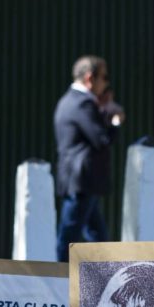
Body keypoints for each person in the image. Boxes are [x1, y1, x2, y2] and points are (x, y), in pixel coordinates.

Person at [53, 55, 124, 262]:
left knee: (98, 239)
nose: (107, 83)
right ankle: (61, 283)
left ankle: (98, 282)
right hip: (81, 181)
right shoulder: (82, 103)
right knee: (69, 238)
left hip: (80, 182)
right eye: (105, 77)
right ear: (90, 78)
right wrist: (116, 120)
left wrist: (102, 110)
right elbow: (101, 139)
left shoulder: (71, 101)